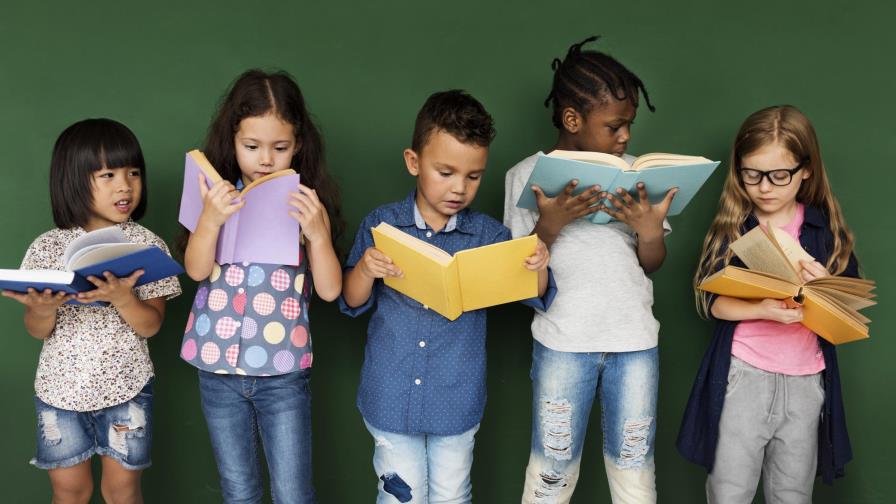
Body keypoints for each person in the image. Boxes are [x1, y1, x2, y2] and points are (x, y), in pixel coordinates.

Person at [341, 89, 554, 503]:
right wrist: (366, 269)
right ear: (413, 162)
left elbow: (536, 294)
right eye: (446, 172)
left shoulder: (490, 236)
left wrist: (539, 263)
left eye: (473, 176)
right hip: (390, 394)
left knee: (452, 494)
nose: (460, 187)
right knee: (401, 497)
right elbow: (350, 301)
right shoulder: (383, 224)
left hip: (456, 398)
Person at [503, 36, 675, 504]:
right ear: (572, 119)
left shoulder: (638, 173)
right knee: (552, 467)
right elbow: (519, 278)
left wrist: (649, 230)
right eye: (615, 126)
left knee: (634, 466)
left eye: (629, 125)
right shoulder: (526, 177)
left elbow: (652, 263)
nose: (626, 137)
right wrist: (550, 226)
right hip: (563, 343)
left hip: (635, 342)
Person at [677, 105, 860, 503]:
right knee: (730, 490)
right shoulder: (735, 226)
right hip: (743, 375)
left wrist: (822, 287)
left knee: (792, 493)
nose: (764, 187)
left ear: (805, 169)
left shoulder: (822, 231)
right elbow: (713, 304)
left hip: (806, 380)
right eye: (751, 175)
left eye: (779, 176)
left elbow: (850, 310)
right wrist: (763, 308)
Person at [179, 69, 343, 504]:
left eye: (280, 147)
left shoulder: (306, 204)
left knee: (292, 492)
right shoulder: (216, 197)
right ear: (232, 141)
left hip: (283, 371)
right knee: (239, 489)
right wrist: (210, 221)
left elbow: (329, 290)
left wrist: (320, 235)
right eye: (251, 147)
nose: (265, 159)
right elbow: (195, 270)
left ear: (300, 144)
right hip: (217, 367)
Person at [3, 118, 181, 504]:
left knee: (122, 490)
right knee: (70, 491)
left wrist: (123, 298)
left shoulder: (147, 246)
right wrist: (43, 309)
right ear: (73, 179)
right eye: (108, 175)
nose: (125, 186)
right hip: (59, 391)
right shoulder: (48, 247)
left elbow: (151, 326)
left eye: (134, 173)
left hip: (127, 388)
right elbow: (36, 330)